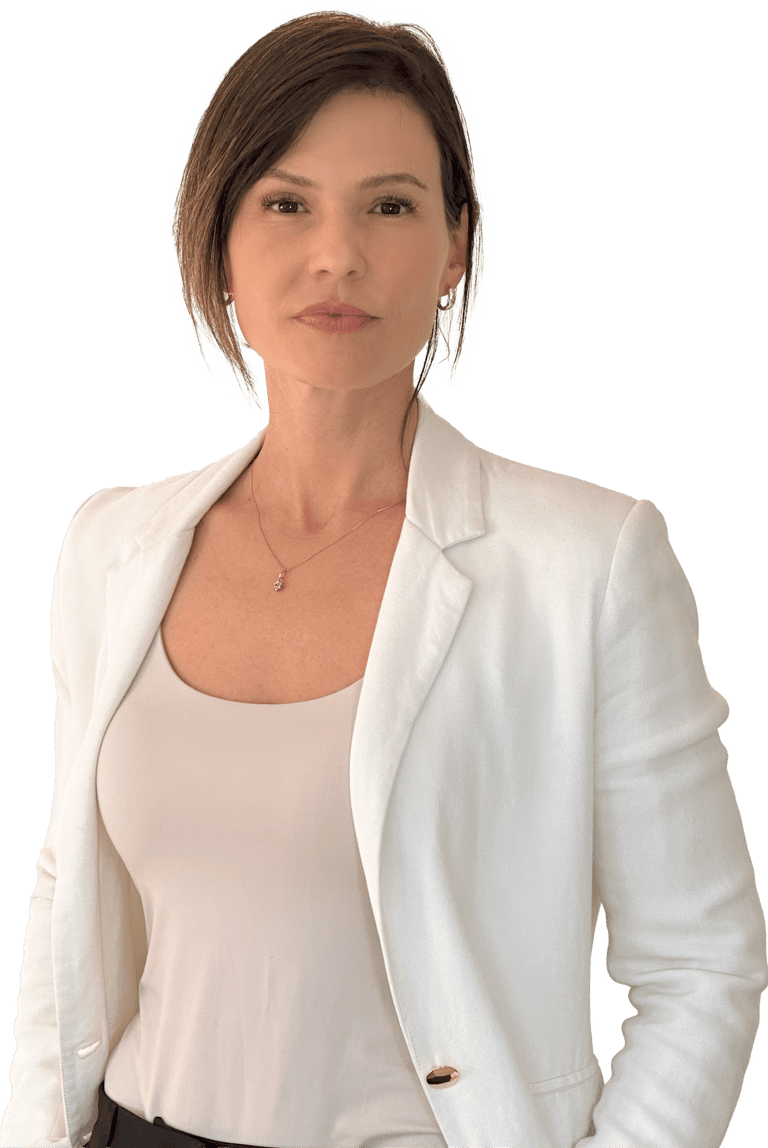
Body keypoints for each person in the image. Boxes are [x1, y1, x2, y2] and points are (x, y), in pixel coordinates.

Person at [1, 8, 766, 1148]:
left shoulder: (588, 565)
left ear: (456, 244)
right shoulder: (111, 545)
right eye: (286, 203)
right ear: (217, 236)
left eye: (391, 205)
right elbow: (69, 886)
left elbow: (704, 963)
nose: (337, 255)